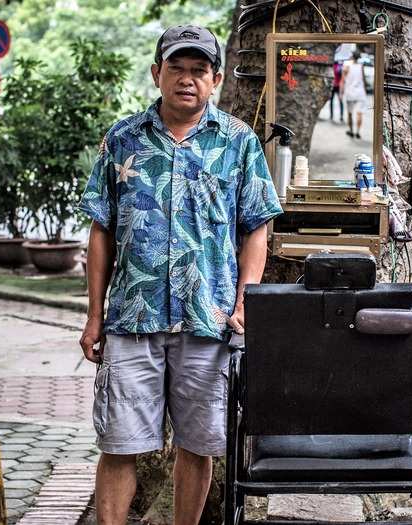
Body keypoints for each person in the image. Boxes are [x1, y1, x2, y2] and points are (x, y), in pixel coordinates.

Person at [78, 24, 282, 525]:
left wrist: (243, 303)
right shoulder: (122, 139)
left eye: (198, 70)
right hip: (131, 319)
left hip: (208, 321)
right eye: (176, 68)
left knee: (198, 445)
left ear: (214, 79)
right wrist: (93, 315)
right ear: (157, 73)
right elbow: (100, 230)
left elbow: (258, 225)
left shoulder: (238, 142)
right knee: (119, 444)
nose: (186, 79)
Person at [340, 49, 368, 139]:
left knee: (350, 113)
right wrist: (365, 91)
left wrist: (341, 93)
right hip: (360, 93)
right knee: (359, 113)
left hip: (350, 93)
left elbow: (343, 81)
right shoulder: (361, 66)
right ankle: (358, 132)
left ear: (352, 56)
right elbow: (363, 80)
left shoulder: (346, 66)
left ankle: (351, 131)